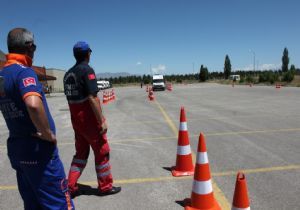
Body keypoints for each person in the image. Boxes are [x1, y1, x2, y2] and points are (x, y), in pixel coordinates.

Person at [0, 28, 74, 209]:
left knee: (33, 203)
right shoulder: (24, 71)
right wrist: (47, 133)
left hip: (18, 150)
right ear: (29, 46)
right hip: (39, 151)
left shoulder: (2, 75)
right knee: (60, 204)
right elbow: (33, 104)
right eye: (35, 46)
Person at [63, 41, 121, 197]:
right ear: (88, 53)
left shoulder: (68, 73)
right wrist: (101, 120)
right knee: (102, 152)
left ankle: (70, 186)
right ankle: (106, 186)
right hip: (89, 121)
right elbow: (92, 97)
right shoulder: (87, 70)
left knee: (80, 154)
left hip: (77, 122)